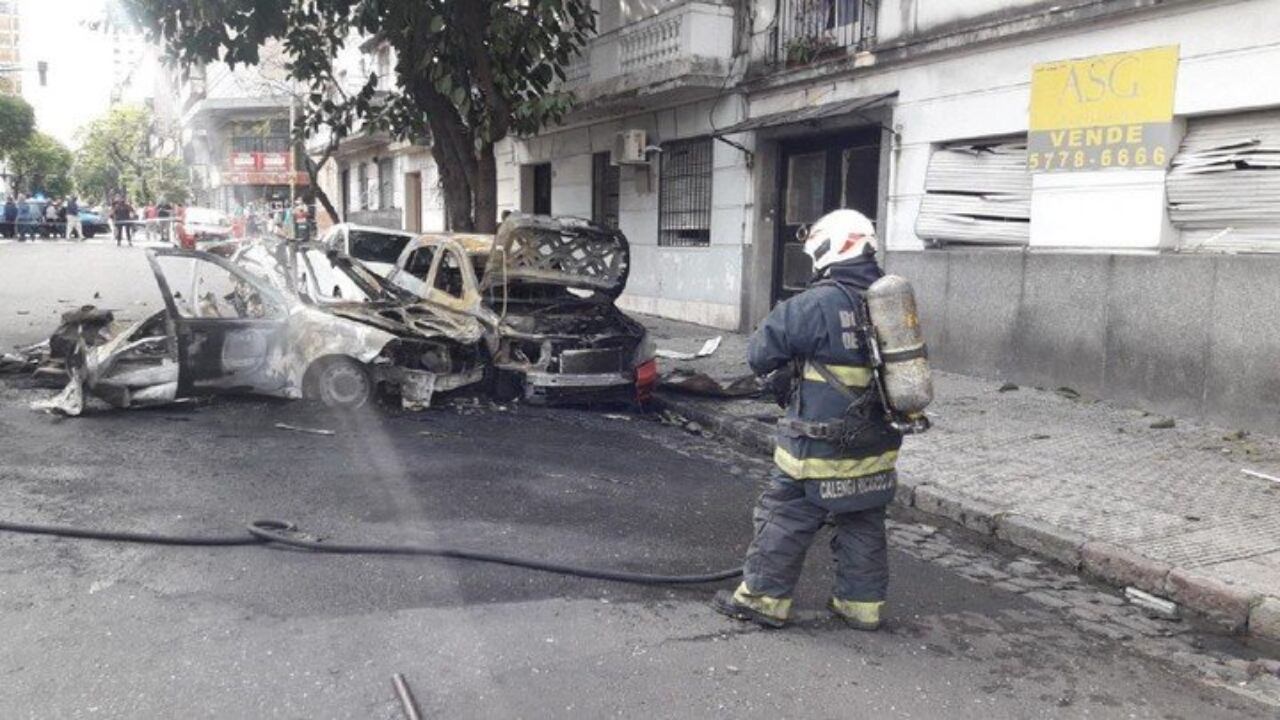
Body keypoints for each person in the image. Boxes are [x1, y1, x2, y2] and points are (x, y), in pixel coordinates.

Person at [713, 209, 903, 631]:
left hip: (817, 447)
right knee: (862, 521)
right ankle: (861, 607)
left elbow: (759, 355)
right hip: (878, 446)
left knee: (785, 515)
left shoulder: (812, 303)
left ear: (827, 247)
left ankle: (764, 600)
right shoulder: (890, 301)